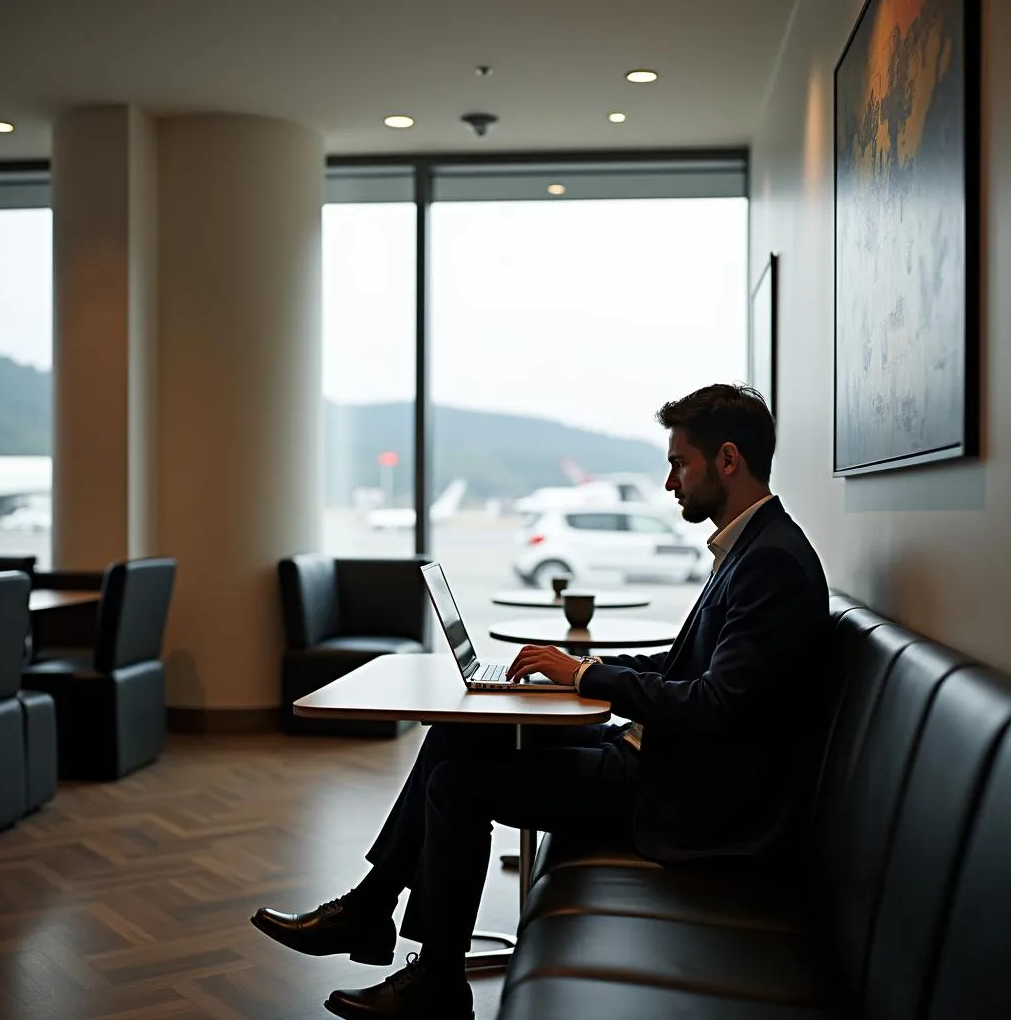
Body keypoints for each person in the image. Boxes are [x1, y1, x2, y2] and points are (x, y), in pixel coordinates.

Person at [251, 384, 829, 1020]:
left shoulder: (769, 562)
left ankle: (433, 980)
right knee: (456, 734)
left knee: (457, 787)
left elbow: (715, 703)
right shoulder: (753, 548)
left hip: (686, 795)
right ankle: (371, 910)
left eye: (678, 463)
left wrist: (585, 677)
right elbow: (686, 668)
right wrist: (582, 670)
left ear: (727, 460)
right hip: (668, 759)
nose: (670, 484)